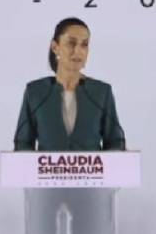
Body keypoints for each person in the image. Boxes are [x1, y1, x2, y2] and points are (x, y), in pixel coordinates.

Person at [13, 17, 126, 151]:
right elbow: (22, 143)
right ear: (55, 47)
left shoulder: (101, 92)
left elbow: (115, 142)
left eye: (84, 44)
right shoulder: (35, 92)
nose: (78, 51)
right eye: (71, 43)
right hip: (46, 165)